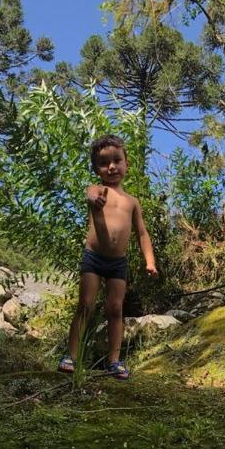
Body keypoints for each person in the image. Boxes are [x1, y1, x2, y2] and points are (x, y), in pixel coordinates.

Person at [58, 134, 158, 379]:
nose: (111, 166)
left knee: (115, 309)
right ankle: (71, 355)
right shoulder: (97, 189)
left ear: (127, 163)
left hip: (118, 263)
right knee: (86, 305)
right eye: (104, 163)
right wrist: (93, 199)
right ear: (97, 169)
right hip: (93, 257)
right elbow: (89, 194)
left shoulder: (132, 201)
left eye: (117, 160)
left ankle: (114, 361)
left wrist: (150, 261)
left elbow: (142, 233)